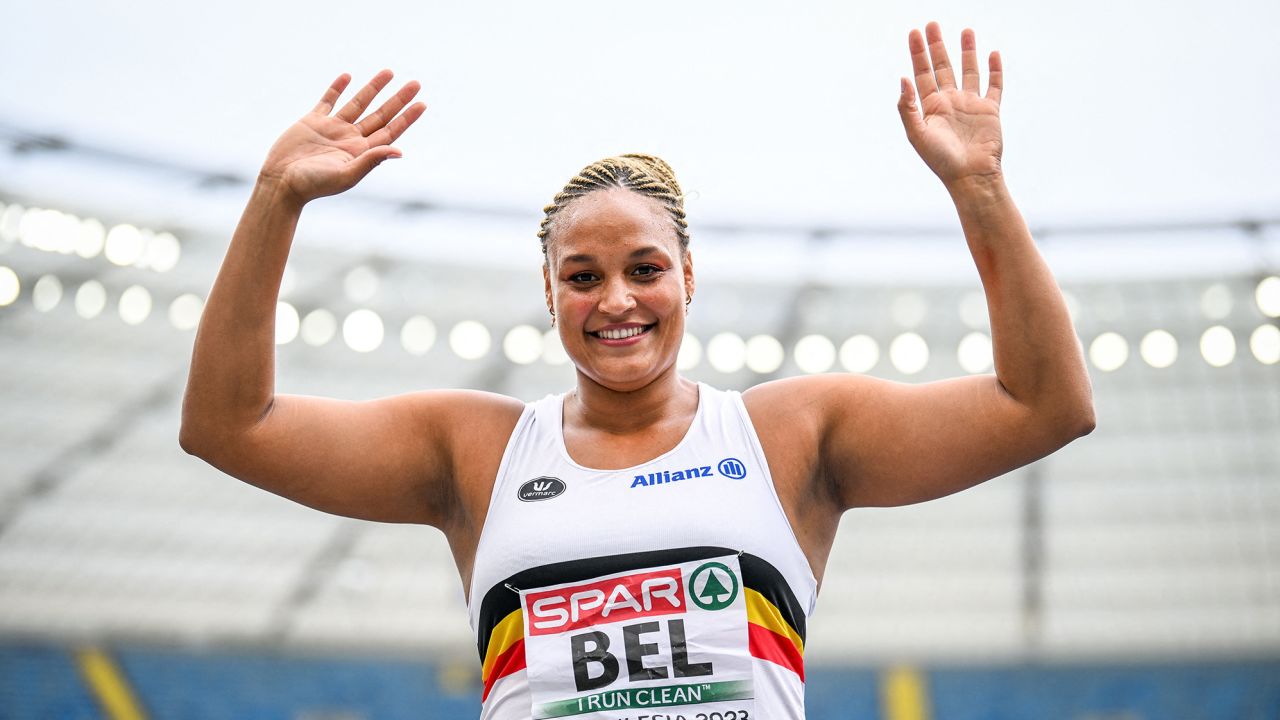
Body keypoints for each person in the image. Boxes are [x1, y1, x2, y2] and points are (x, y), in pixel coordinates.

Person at [180, 21, 1094, 720]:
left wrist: (980, 188)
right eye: (583, 277)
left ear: (687, 276)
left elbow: (1044, 406)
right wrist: (275, 200)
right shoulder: (476, 452)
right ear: (549, 292)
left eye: (644, 270)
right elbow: (229, 427)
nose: (616, 299)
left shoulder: (788, 436)